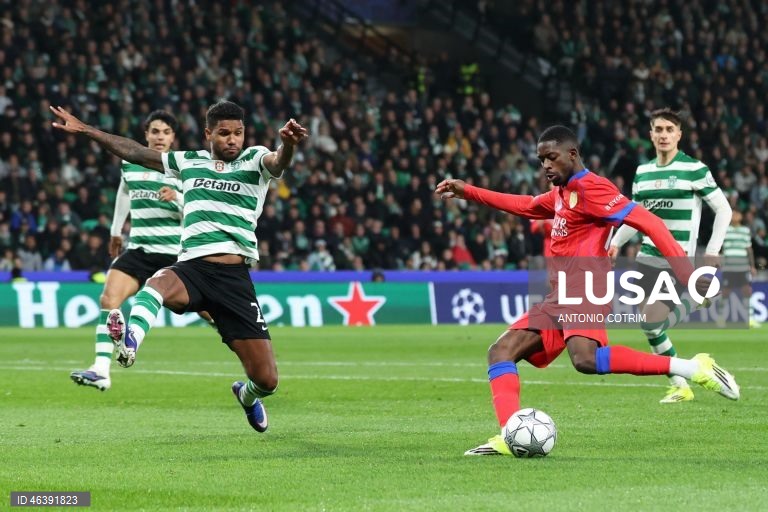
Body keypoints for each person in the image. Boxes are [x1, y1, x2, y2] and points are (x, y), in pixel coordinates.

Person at [435, 125, 740, 456]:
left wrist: (687, 276)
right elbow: (526, 206)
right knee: (501, 351)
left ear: (572, 154)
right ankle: (510, 435)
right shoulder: (564, 192)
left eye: (551, 158)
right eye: (541, 160)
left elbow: (650, 223)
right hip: (559, 293)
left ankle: (694, 368)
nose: (546, 166)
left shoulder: (593, 187)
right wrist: (469, 192)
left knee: (585, 359)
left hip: (586, 287)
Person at [51, 101, 308, 432]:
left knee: (267, 379)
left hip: (234, 279)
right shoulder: (188, 161)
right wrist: (87, 130)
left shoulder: (255, 158)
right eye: (224, 133)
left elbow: (278, 160)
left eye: (238, 133)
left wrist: (287, 143)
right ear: (208, 134)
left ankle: (245, 395)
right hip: (193, 268)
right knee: (156, 284)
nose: (232, 140)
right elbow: (135, 153)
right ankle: (128, 344)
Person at [608, 108, 732, 403]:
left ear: (679, 135)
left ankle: (698, 308)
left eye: (669, 129)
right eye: (658, 129)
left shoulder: (695, 169)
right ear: (650, 135)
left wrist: (712, 252)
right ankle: (681, 384)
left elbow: (724, 210)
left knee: (651, 321)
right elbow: (634, 217)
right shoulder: (643, 172)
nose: (663, 135)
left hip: (678, 260)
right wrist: (613, 243)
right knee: (649, 325)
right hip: (646, 257)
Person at [69, 110, 185, 391]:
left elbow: (199, 212)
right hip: (140, 249)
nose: (160, 137)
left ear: (173, 138)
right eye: (155, 131)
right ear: (146, 135)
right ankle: (100, 370)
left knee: (212, 313)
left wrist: (178, 197)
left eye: (165, 132)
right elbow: (124, 192)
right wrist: (115, 229)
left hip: (175, 256)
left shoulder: (182, 168)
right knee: (109, 299)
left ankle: (251, 359)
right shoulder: (130, 164)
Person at [718, 209, 759, 328]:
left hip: (742, 267)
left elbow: (749, 249)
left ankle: (750, 319)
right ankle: (721, 318)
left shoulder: (745, 231)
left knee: (747, 291)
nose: (735, 216)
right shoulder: (725, 230)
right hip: (729, 267)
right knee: (725, 292)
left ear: (741, 216)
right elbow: (720, 247)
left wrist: (752, 266)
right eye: (733, 214)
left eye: (737, 213)